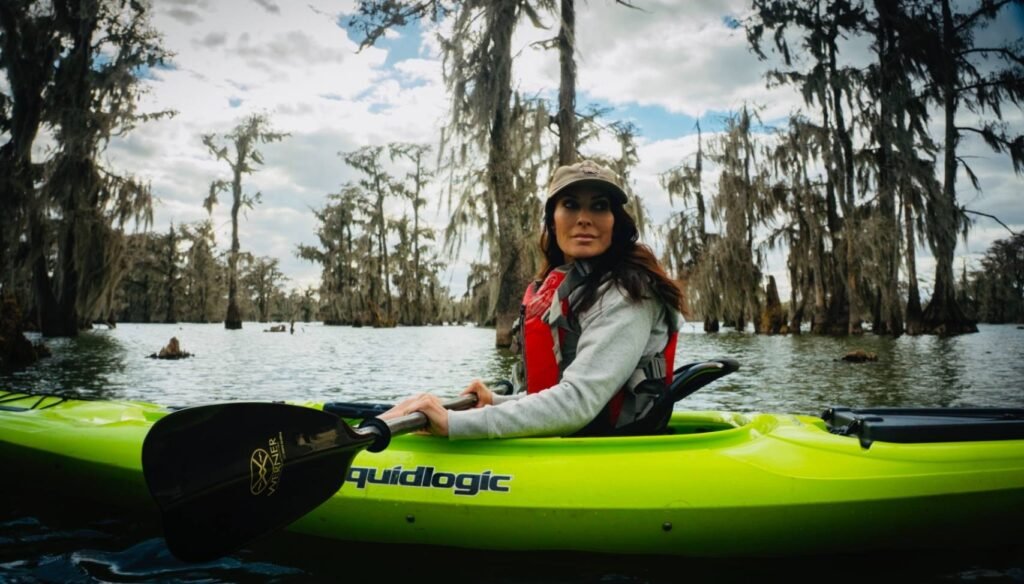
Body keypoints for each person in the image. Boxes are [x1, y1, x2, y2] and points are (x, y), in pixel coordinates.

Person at [380, 159, 685, 439]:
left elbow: (578, 401)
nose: (584, 219)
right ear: (552, 220)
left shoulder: (629, 293)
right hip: (582, 437)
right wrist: (495, 402)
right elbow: (565, 395)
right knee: (410, 404)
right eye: (570, 205)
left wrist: (453, 424)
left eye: (599, 206)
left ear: (615, 221)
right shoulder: (581, 287)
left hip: (610, 450)